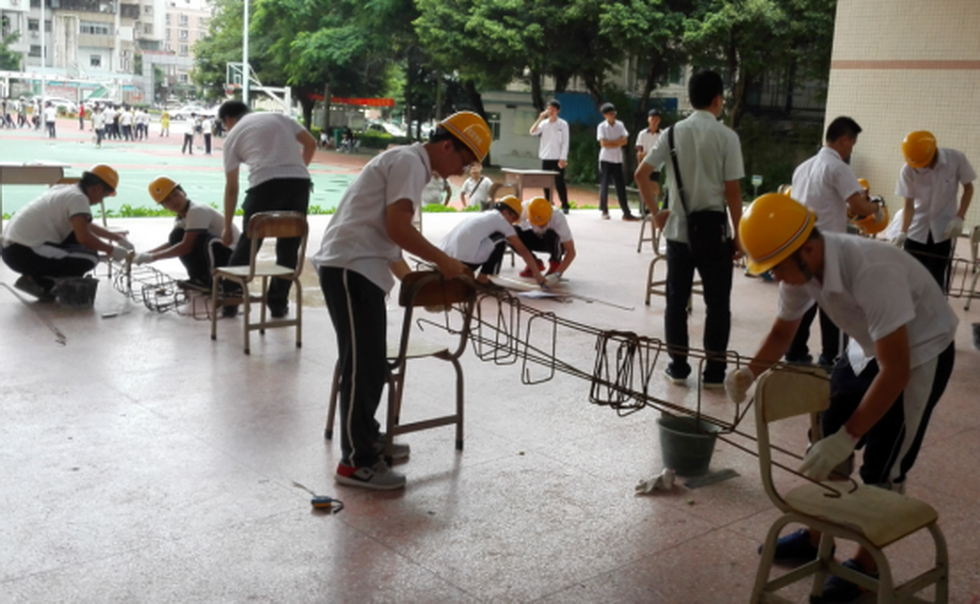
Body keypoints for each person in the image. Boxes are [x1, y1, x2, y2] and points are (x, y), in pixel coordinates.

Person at [728, 192, 957, 603]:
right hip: (867, 346)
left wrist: (850, 437)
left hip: (921, 350)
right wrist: (750, 372)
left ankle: (865, 566)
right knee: (826, 430)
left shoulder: (871, 270)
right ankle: (817, 537)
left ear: (807, 250)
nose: (775, 278)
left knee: (884, 461)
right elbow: (782, 332)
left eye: (776, 268)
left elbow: (897, 370)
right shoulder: (801, 268)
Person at [312, 111, 490, 490]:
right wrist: (445, 263)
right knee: (362, 366)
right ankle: (355, 462)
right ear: (447, 146)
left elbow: (389, 241)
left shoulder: (409, 163)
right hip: (350, 268)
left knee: (371, 363)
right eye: (463, 161)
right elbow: (398, 228)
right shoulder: (410, 162)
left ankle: (368, 437)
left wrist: (416, 284)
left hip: (358, 268)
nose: (460, 172)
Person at [634, 70, 744, 388]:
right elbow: (733, 192)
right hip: (715, 234)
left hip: (678, 233)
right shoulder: (727, 137)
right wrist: (739, 236)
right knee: (718, 305)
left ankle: (678, 367)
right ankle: (714, 373)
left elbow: (642, 174)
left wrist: (656, 213)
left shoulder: (670, 134)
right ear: (717, 100)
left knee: (676, 303)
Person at [784, 116, 882, 367]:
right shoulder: (838, 168)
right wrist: (877, 208)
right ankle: (831, 357)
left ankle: (795, 353)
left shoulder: (803, 168)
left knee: (803, 302)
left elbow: (820, 205)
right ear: (844, 140)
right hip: (827, 248)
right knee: (834, 306)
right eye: (852, 144)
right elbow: (858, 205)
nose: (851, 151)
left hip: (800, 245)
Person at [219, 100, 317, 318]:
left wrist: (226, 227)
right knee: (289, 246)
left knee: (249, 242)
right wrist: (298, 170)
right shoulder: (279, 117)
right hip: (299, 183)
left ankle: (230, 298)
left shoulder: (232, 136)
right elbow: (311, 144)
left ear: (228, 119)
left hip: (264, 184)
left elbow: (232, 188)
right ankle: (278, 302)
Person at [1, 165, 131, 300]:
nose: (100, 201)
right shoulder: (78, 199)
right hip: (23, 252)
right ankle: (40, 282)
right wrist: (110, 249)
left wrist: (116, 238)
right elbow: (84, 237)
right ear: (97, 188)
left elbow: (84, 224)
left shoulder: (66, 189)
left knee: (79, 242)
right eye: (103, 196)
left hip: (13, 248)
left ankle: (38, 278)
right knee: (90, 258)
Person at [892, 130, 975, 292]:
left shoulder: (955, 159)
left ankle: (934, 307)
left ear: (933, 153)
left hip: (943, 230)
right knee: (909, 279)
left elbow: (968, 188)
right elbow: (908, 205)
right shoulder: (908, 169)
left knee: (936, 281)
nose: (921, 168)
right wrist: (903, 231)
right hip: (916, 230)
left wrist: (960, 216)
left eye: (924, 163)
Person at [133, 176, 238, 289]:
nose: (174, 201)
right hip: (221, 254)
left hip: (233, 258)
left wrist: (152, 257)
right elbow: (173, 243)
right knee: (176, 235)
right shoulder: (182, 217)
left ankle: (214, 281)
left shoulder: (196, 210)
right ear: (164, 206)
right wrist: (144, 254)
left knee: (202, 239)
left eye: (175, 195)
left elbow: (185, 247)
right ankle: (199, 278)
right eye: (167, 200)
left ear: (184, 193)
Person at [439, 195, 547, 286]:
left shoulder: (485, 215)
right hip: (464, 262)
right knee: (500, 239)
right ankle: (483, 278)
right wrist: (538, 275)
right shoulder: (501, 221)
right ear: (505, 212)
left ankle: (479, 275)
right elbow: (523, 250)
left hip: (445, 258)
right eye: (513, 219)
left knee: (492, 238)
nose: (512, 223)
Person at [516, 196, 577, 279]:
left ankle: (555, 265)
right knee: (511, 232)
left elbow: (571, 252)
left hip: (553, 243)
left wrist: (558, 273)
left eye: (543, 223)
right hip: (535, 239)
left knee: (552, 234)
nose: (540, 226)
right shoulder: (522, 210)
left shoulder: (558, 217)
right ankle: (534, 263)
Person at [597, 102, 638, 221]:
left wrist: (612, 143)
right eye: (610, 114)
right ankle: (604, 209)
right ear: (605, 115)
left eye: (613, 113)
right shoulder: (602, 126)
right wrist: (617, 142)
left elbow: (625, 141)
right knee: (604, 184)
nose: (613, 115)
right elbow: (603, 143)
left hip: (617, 158)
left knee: (620, 185)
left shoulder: (620, 125)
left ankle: (626, 212)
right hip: (605, 159)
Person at [529, 99, 571, 214]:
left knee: (560, 182)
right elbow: (532, 132)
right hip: (546, 156)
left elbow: (565, 142)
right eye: (548, 109)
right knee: (545, 182)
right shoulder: (543, 124)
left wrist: (563, 158)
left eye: (552, 109)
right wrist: (540, 118)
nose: (550, 111)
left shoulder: (563, 124)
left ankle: (565, 204)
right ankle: (548, 202)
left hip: (558, 157)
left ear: (557, 111)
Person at [635, 108, 664, 211]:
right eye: (652, 119)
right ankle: (644, 208)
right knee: (644, 186)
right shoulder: (642, 134)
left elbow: (662, 151)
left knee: (654, 186)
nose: (654, 121)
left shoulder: (662, 134)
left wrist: (648, 155)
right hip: (644, 164)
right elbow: (639, 152)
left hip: (656, 165)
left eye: (656, 119)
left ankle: (653, 208)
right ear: (648, 119)